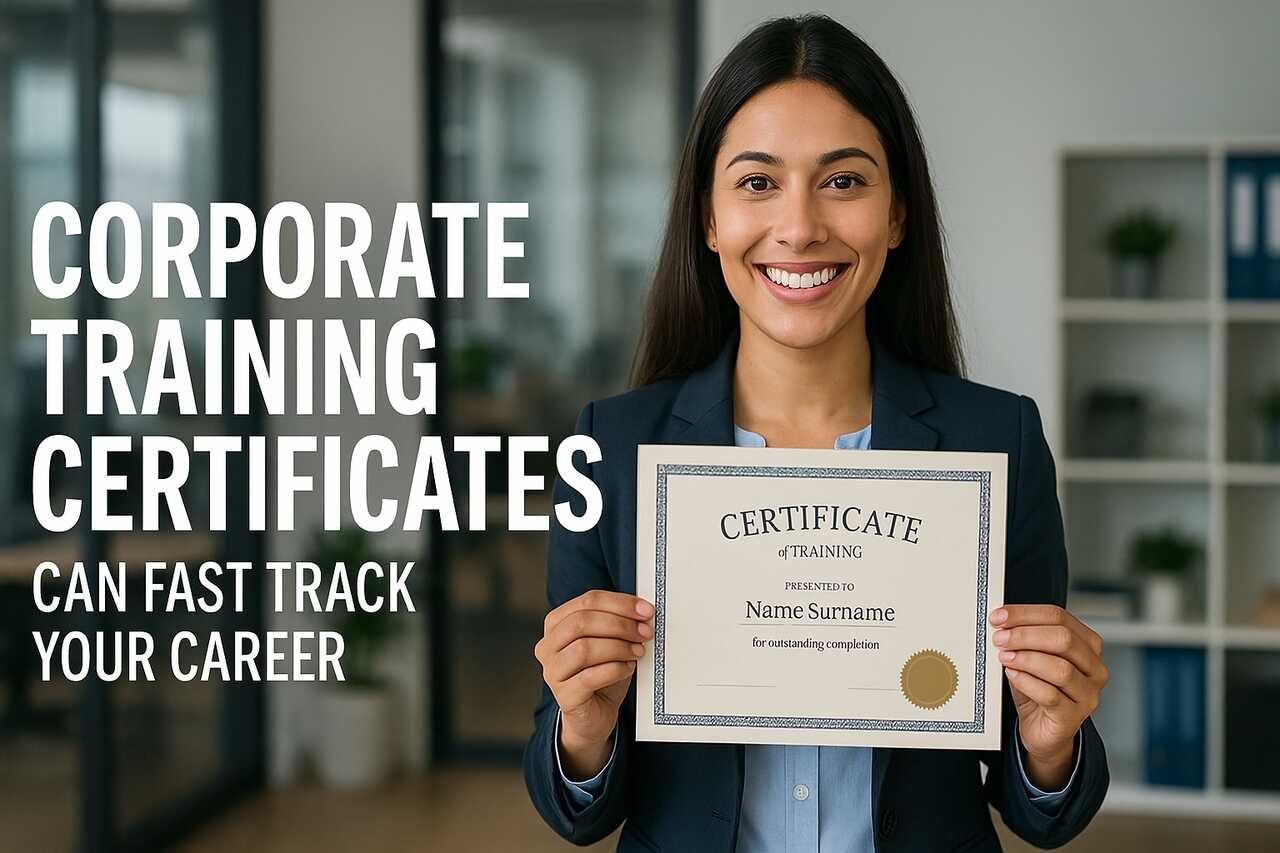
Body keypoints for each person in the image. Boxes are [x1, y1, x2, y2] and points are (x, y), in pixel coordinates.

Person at [524, 14, 1109, 852]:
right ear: (708, 219)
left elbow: (1037, 804)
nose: (799, 227)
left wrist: (1050, 744)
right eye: (757, 182)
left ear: (899, 214)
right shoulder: (611, 450)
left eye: (844, 181)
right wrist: (583, 727)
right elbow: (574, 806)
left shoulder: (999, 440)